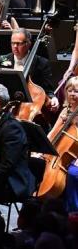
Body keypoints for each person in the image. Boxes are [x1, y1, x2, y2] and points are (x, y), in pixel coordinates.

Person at [48, 76, 78, 212]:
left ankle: (73, 212)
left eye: (76, 91)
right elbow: (52, 133)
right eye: (70, 90)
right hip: (63, 154)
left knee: (72, 173)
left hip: (76, 156)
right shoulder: (65, 111)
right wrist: (41, 149)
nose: (72, 94)